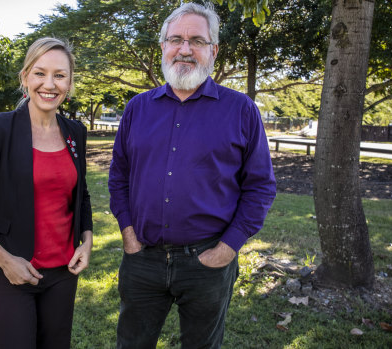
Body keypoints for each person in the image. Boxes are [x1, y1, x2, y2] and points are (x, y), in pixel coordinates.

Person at [108, 3, 276, 348]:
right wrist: (127, 233)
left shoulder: (241, 109)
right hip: (142, 260)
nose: (185, 49)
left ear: (213, 50)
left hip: (208, 263)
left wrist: (227, 250)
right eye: (176, 40)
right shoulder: (137, 108)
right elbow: (119, 176)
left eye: (197, 40)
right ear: (163, 47)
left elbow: (260, 187)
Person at [0, 37, 93, 349]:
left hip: (63, 274)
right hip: (8, 275)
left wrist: (87, 241)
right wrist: (6, 260)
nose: (49, 84)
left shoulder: (75, 132)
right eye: (40, 73)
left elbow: (81, 195)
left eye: (60, 75)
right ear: (25, 77)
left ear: (70, 82)